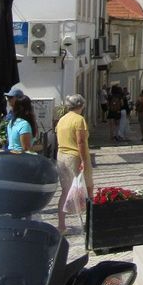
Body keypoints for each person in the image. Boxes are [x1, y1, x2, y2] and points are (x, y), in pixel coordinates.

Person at [56, 94, 93, 233]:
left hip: (61, 157)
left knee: (65, 191)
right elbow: (81, 142)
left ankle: (61, 225)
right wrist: (84, 160)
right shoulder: (79, 120)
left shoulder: (62, 120)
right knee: (87, 188)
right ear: (81, 105)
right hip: (75, 157)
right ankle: (90, 223)